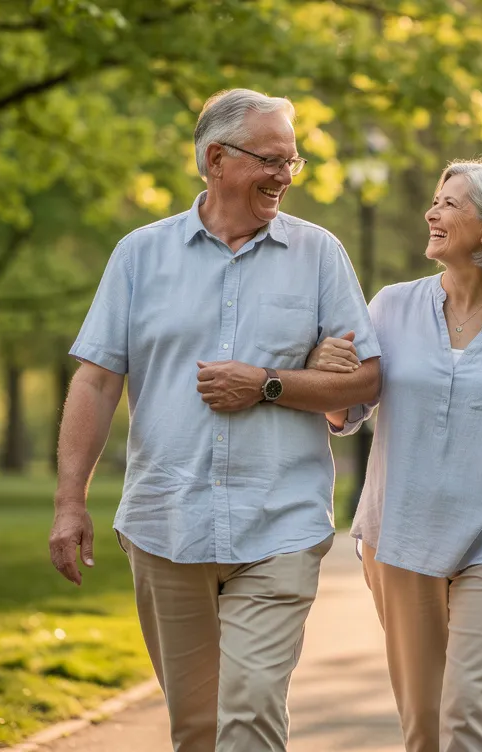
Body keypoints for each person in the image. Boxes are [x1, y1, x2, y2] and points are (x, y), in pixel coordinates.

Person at [48, 89, 381, 752]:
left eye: (293, 161)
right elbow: (95, 378)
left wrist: (269, 383)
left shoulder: (319, 256)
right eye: (270, 160)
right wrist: (69, 501)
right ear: (216, 160)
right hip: (167, 522)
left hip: (279, 521)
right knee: (197, 729)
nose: (285, 175)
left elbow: (366, 380)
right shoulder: (139, 255)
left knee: (252, 710)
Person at [308, 158, 482, 752]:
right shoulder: (389, 306)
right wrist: (325, 378)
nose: (432, 212)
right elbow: (346, 415)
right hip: (401, 537)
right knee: (425, 728)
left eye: (451, 203)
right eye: (435, 200)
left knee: (470, 718)